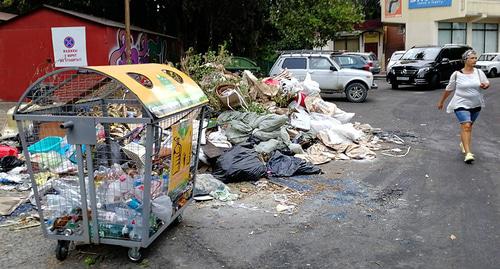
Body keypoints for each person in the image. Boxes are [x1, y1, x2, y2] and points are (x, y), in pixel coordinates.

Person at [437, 49, 490, 163]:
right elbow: (449, 89)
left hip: (476, 104)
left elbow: (486, 83)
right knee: (466, 125)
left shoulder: (479, 73)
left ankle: (463, 143)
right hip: (460, 103)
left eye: (475, 58)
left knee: (468, 127)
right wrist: (441, 101)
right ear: (465, 60)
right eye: (472, 58)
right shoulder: (457, 74)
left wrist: (485, 86)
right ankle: (468, 153)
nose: (474, 60)